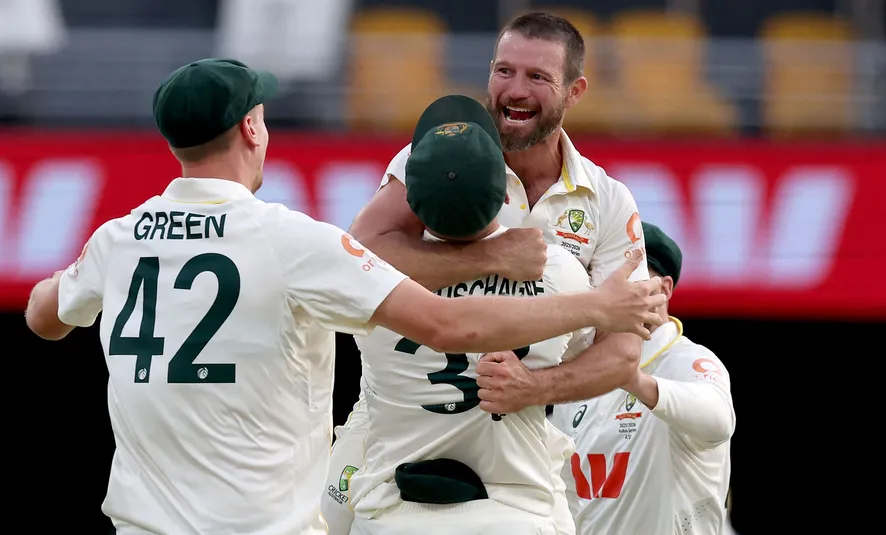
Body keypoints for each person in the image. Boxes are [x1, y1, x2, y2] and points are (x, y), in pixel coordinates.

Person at [22, 58, 667, 535]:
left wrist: (66, 280)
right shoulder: (295, 242)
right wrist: (595, 307)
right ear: (251, 129)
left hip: (140, 525)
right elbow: (447, 323)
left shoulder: (117, 239)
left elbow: (43, 318)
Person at [324, 13, 657, 532]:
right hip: (392, 428)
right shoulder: (440, 156)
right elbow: (358, 255)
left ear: (575, 91)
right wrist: (491, 258)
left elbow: (623, 353)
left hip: (523, 435)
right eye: (504, 71)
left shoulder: (609, 200)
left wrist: (535, 386)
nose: (515, 91)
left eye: (538, 77)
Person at [346, 95, 591, 535]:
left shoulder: (370, 284)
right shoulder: (562, 273)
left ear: (411, 201)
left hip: (394, 514)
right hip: (516, 514)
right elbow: (587, 352)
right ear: (504, 192)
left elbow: (362, 248)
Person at [548, 223, 736, 535]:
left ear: (663, 289)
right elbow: (566, 495)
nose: (612, 292)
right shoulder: (582, 372)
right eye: (600, 278)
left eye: (629, 279)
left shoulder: (687, 361)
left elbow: (718, 421)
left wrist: (634, 379)